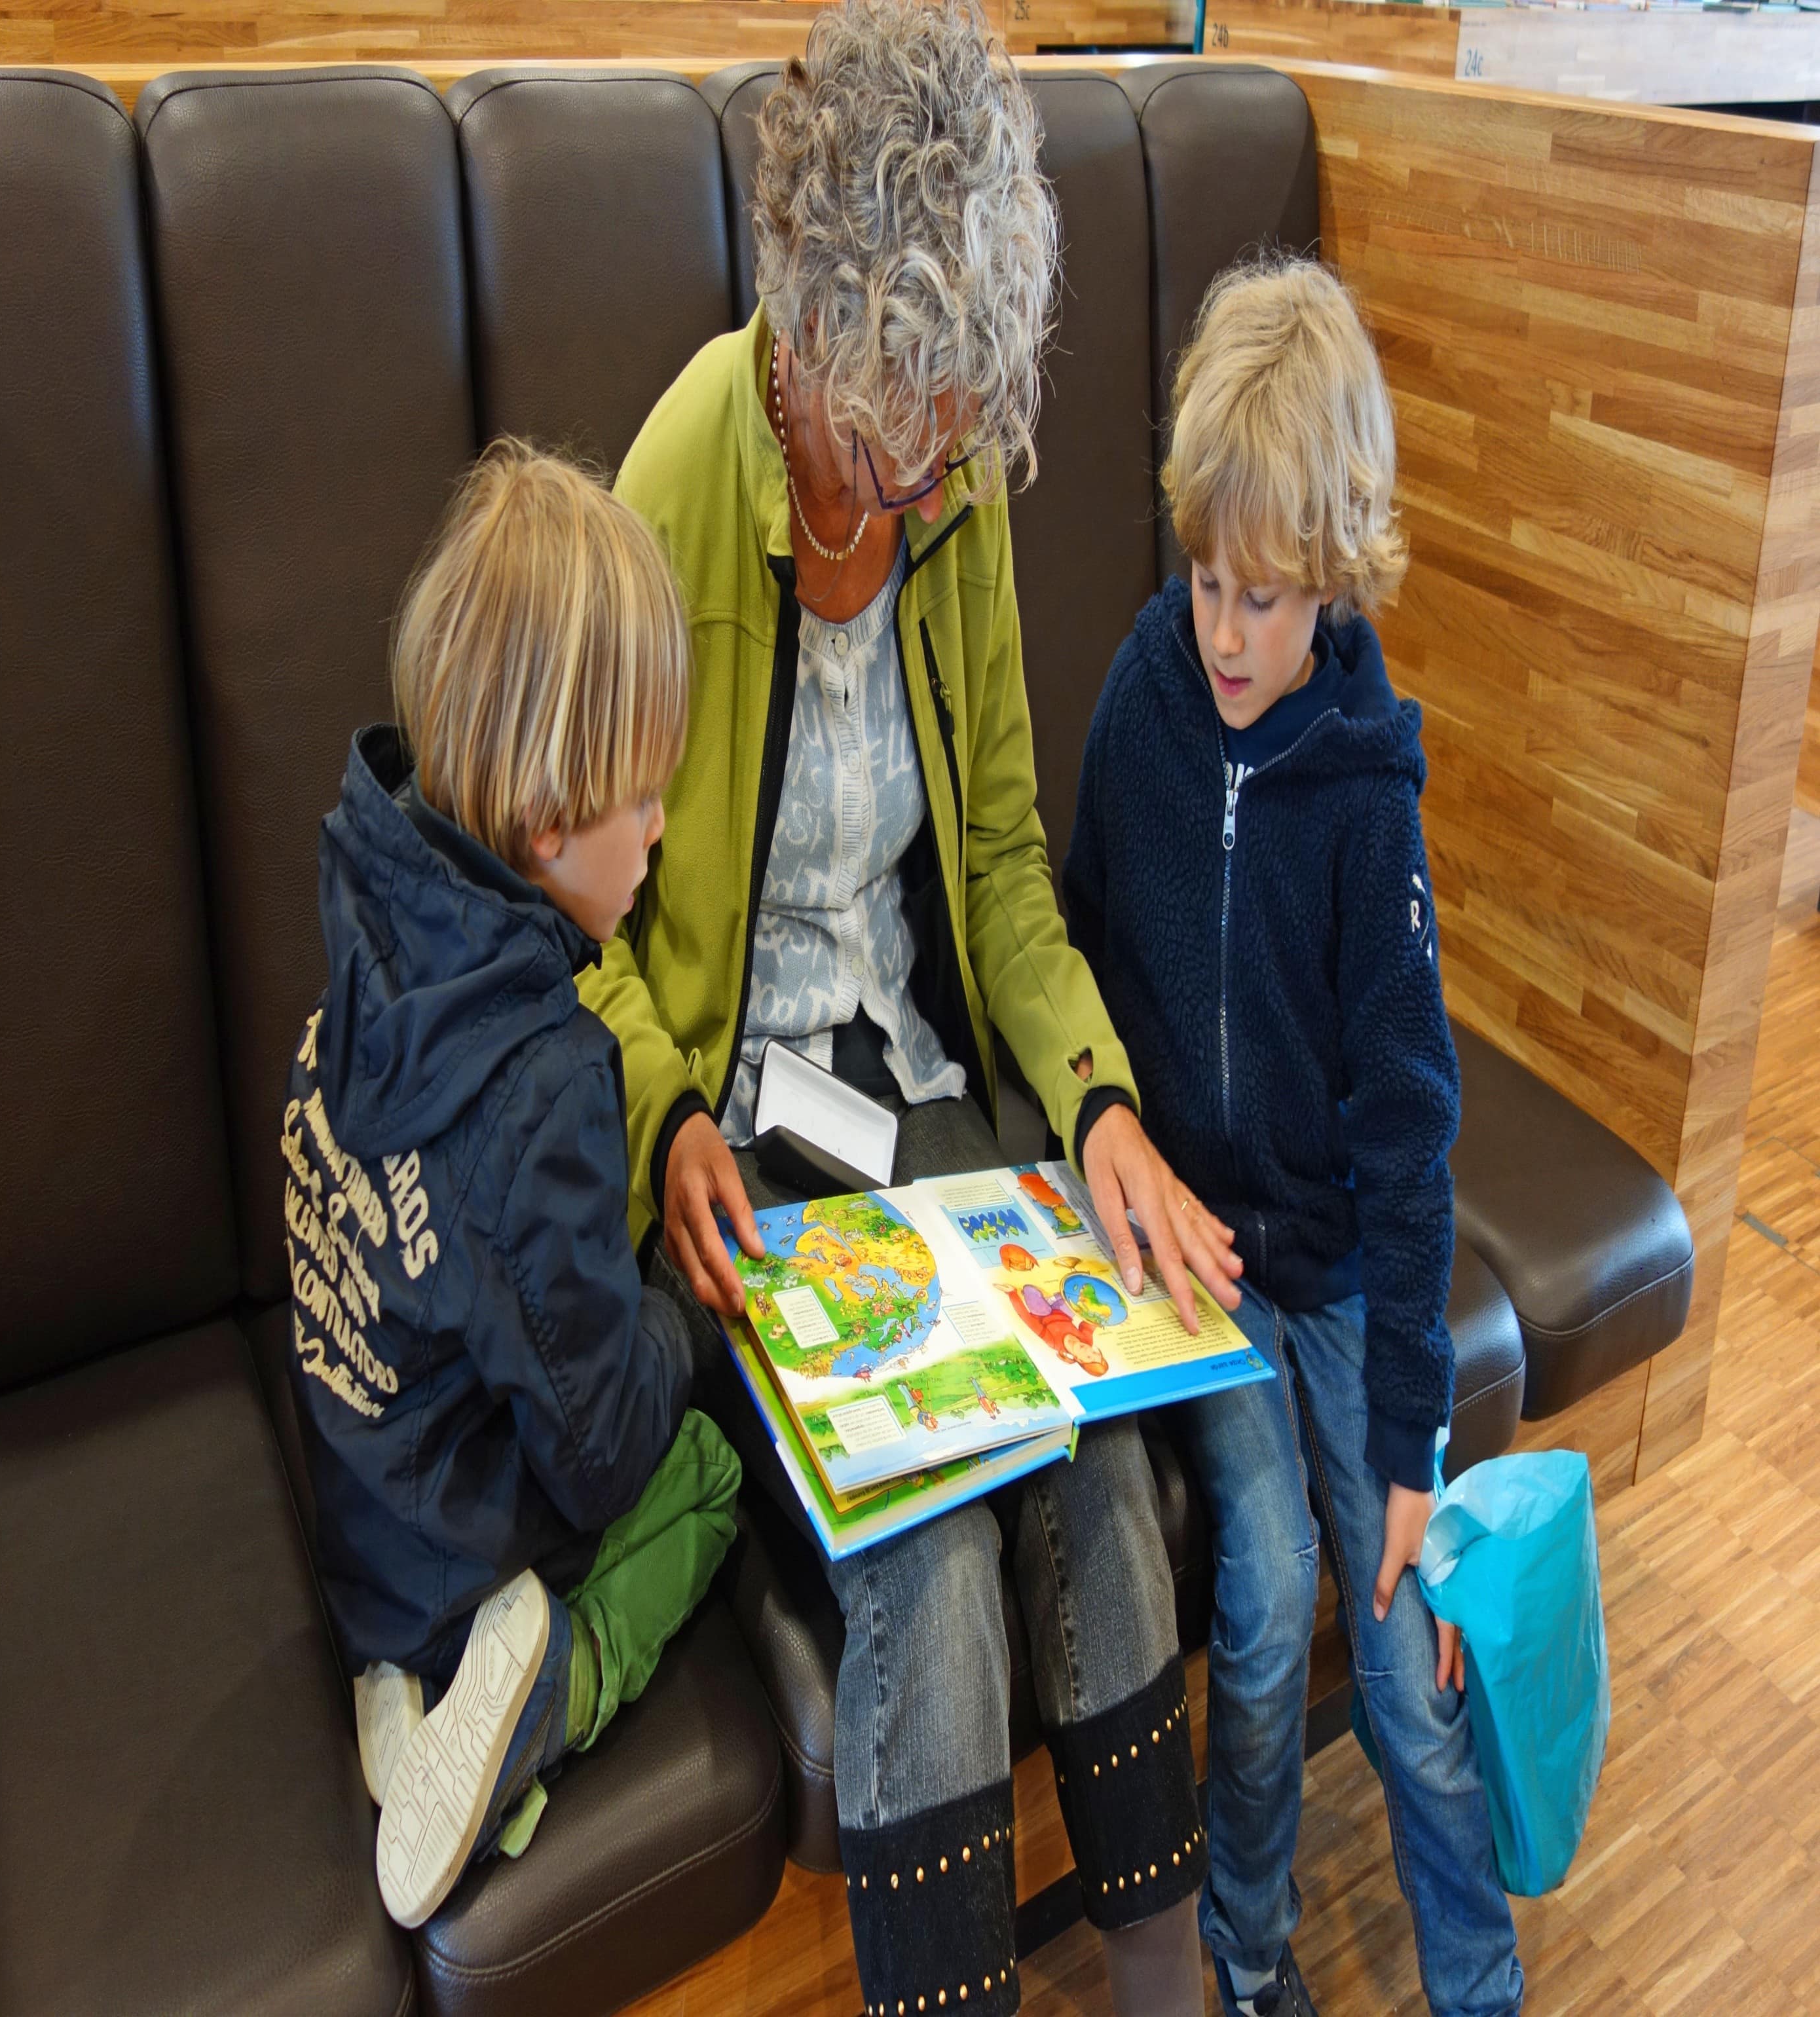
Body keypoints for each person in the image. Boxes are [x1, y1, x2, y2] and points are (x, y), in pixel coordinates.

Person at [589, 5, 1244, 2012]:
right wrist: (660, 1119)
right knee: (932, 1542)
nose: (930, 464)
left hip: (920, 1079)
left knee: (1109, 1464)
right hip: (749, 1117)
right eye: (897, 421)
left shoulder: (950, 478)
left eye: (958, 416)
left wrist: (1104, 1106)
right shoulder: (688, 474)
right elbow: (572, 913)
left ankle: (1158, 1977)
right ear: (808, 323)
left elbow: (1000, 875)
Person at [1064, 258, 1523, 2017]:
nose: (1226, 634)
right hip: (1192, 1259)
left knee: (1406, 1662)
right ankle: (1247, 1964)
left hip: (1335, 1277)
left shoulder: (1366, 794)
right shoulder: (1145, 695)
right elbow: (1082, 947)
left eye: (1266, 597)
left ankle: (1478, 1980)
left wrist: (1409, 1442)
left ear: (1339, 577)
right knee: (1260, 1610)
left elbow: (1413, 1137)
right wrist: (1095, 1150)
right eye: (1203, 584)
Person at [280, 443, 741, 1933]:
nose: (660, 829)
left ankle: (400, 1687)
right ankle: (540, 1684)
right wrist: (690, 1324)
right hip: (459, 1542)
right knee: (711, 1482)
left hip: (357, 1502)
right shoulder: (537, 1078)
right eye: (645, 799)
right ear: (550, 822)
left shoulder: (372, 873)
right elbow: (605, 1449)